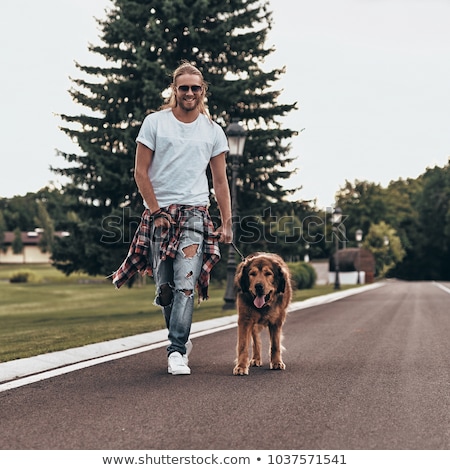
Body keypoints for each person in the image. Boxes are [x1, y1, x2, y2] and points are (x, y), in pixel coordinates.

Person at [112, 62, 233, 375]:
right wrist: (155, 211)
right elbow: (140, 172)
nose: (189, 93)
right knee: (165, 288)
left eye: (195, 87)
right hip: (161, 214)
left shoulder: (213, 131)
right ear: (174, 90)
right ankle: (179, 338)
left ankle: (176, 349)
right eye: (184, 87)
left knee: (185, 284)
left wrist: (227, 222)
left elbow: (220, 181)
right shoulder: (155, 123)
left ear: (202, 90)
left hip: (195, 213)